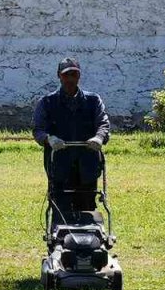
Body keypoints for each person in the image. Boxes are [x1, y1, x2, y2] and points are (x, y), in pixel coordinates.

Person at [32, 57, 110, 220]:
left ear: (79, 76)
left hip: (87, 165)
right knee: (60, 209)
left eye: (73, 74)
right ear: (59, 76)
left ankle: (88, 235)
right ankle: (59, 234)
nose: (70, 79)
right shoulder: (47, 102)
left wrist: (99, 137)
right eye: (66, 75)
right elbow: (38, 130)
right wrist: (48, 139)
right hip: (59, 165)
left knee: (87, 209)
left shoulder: (93, 101)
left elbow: (103, 123)